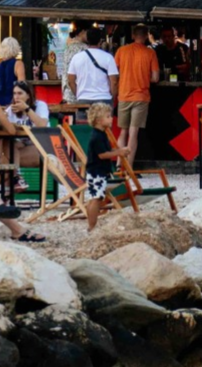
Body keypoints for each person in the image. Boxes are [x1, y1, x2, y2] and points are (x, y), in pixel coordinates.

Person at [115, 24, 159, 162]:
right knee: (133, 134)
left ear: (133, 36)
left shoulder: (121, 51)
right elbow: (155, 78)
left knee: (123, 132)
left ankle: (118, 165)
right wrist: (144, 76)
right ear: (146, 37)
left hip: (123, 95)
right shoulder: (150, 53)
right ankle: (129, 167)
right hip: (141, 97)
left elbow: (115, 74)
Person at [79, 103, 119, 231]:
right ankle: (91, 226)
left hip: (97, 171)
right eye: (107, 116)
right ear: (98, 120)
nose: (111, 118)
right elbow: (102, 155)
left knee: (95, 198)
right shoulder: (96, 136)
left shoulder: (102, 134)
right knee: (95, 199)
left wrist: (117, 150)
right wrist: (119, 153)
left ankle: (92, 225)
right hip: (97, 172)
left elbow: (106, 150)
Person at [65, 30, 118, 113]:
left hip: (83, 100)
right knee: (103, 125)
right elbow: (114, 82)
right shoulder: (108, 58)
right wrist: (112, 97)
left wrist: (78, 94)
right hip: (104, 99)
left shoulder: (77, 58)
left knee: (84, 125)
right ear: (100, 41)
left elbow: (70, 81)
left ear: (87, 40)